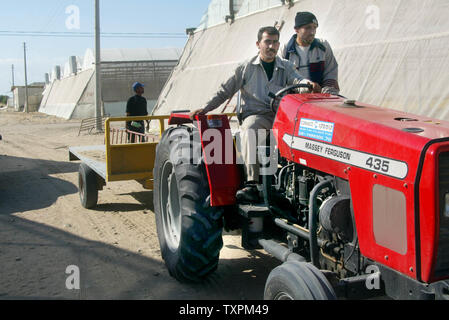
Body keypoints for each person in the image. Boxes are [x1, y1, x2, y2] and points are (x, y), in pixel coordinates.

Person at [190, 26, 318, 202]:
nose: (271, 46)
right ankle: (252, 183)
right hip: (256, 115)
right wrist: (205, 108)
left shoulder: (286, 66)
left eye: (275, 42)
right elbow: (224, 91)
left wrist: (308, 83)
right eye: (267, 42)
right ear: (258, 44)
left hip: (280, 116)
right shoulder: (246, 67)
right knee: (250, 130)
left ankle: (298, 182)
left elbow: (297, 80)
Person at [280, 11, 339, 94]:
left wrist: (327, 95)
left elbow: (331, 72)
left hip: (319, 99)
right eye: (308, 28)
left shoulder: (323, 46)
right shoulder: (285, 50)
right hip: (294, 101)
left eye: (314, 28)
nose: (312, 32)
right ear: (296, 29)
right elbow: (281, 79)